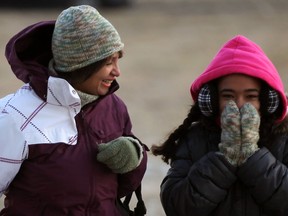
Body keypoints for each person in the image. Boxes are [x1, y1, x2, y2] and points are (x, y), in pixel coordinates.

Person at [0, 5, 148, 215]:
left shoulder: (114, 106)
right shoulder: (15, 115)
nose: (117, 72)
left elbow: (120, 187)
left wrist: (134, 156)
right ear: (81, 65)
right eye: (109, 62)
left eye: (118, 60)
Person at [151, 35, 288, 216]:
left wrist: (252, 156)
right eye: (228, 96)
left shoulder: (284, 138)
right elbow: (177, 206)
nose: (239, 105)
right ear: (212, 100)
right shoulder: (194, 139)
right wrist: (225, 159)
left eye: (251, 96)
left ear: (267, 100)